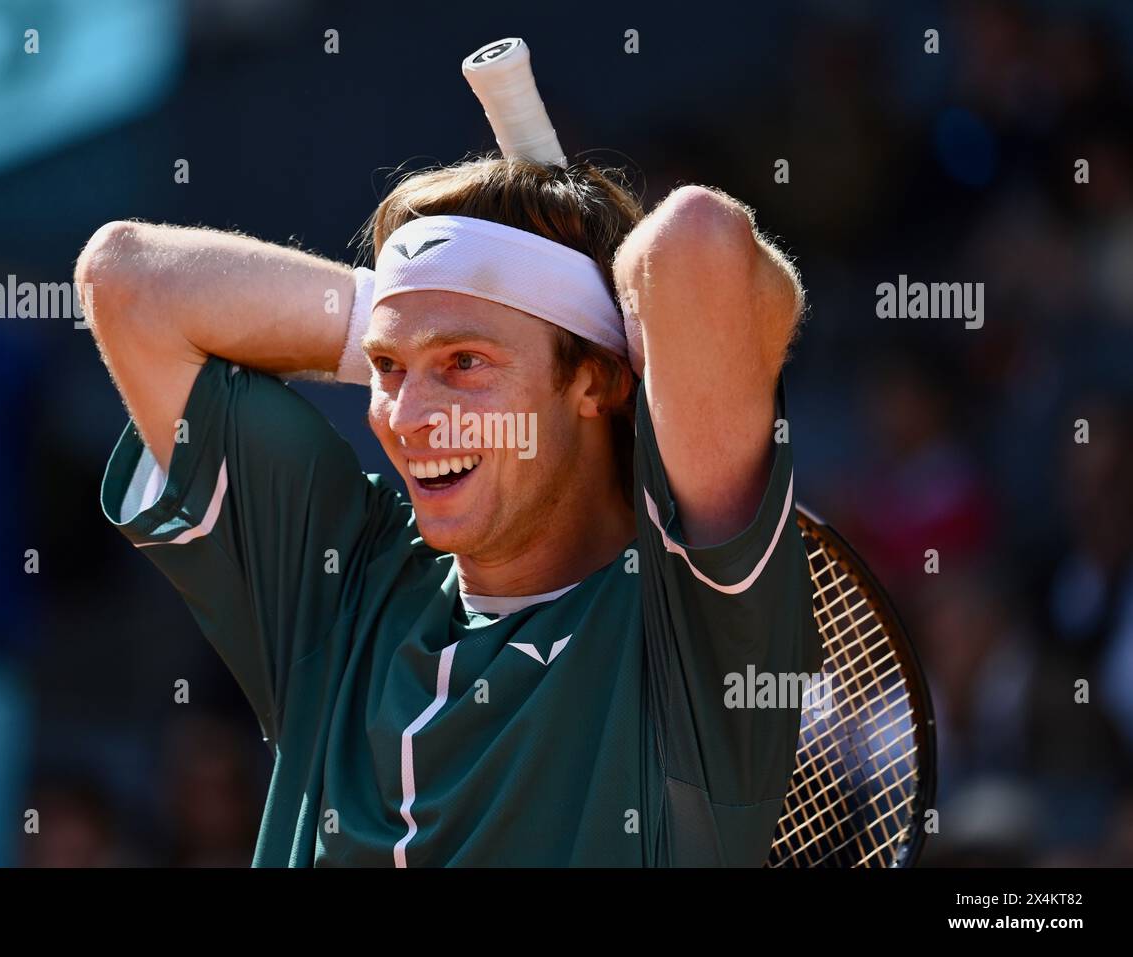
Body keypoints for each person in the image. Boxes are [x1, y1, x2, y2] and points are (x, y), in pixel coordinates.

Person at [76, 156, 820, 866]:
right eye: (387, 367)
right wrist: (423, 296)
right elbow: (127, 281)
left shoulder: (694, 625)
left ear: (597, 381)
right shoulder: (344, 580)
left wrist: (588, 308)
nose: (407, 416)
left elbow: (696, 242)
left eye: (465, 363)